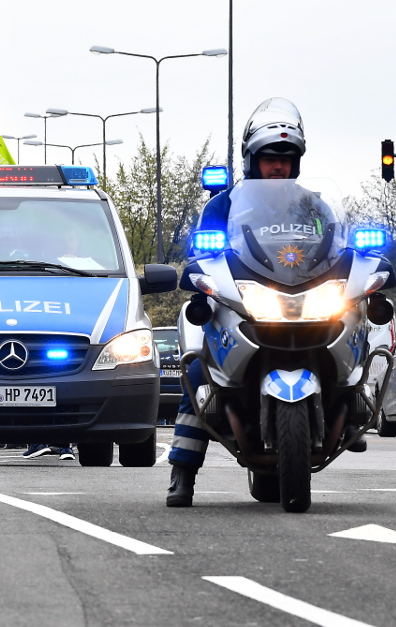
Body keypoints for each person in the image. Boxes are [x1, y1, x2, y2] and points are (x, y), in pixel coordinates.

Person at [167, 97, 328, 507]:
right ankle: (182, 472)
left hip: (304, 298)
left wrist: (371, 258)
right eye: (271, 158)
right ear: (252, 160)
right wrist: (195, 269)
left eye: (287, 158)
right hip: (242, 301)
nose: (279, 166)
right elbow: (199, 254)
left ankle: (352, 402)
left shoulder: (312, 204)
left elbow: (336, 242)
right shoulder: (224, 205)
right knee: (201, 366)